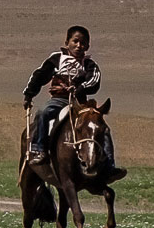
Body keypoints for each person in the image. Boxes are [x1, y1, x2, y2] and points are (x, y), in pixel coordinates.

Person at [23, 25, 101, 167]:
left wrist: (80, 88)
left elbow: (94, 81)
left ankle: (108, 163)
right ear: (67, 43)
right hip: (59, 101)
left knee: (98, 125)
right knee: (43, 112)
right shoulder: (56, 59)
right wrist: (29, 94)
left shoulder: (89, 64)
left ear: (87, 46)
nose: (79, 46)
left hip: (80, 104)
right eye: (75, 41)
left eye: (83, 43)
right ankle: (39, 150)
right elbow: (39, 75)